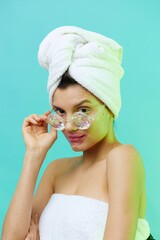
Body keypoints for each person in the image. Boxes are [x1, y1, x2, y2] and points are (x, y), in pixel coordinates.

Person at [2, 26, 155, 240]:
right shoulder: (56, 170)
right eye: (60, 112)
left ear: (109, 106)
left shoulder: (122, 158)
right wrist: (34, 155)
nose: (69, 126)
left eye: (82, 111)